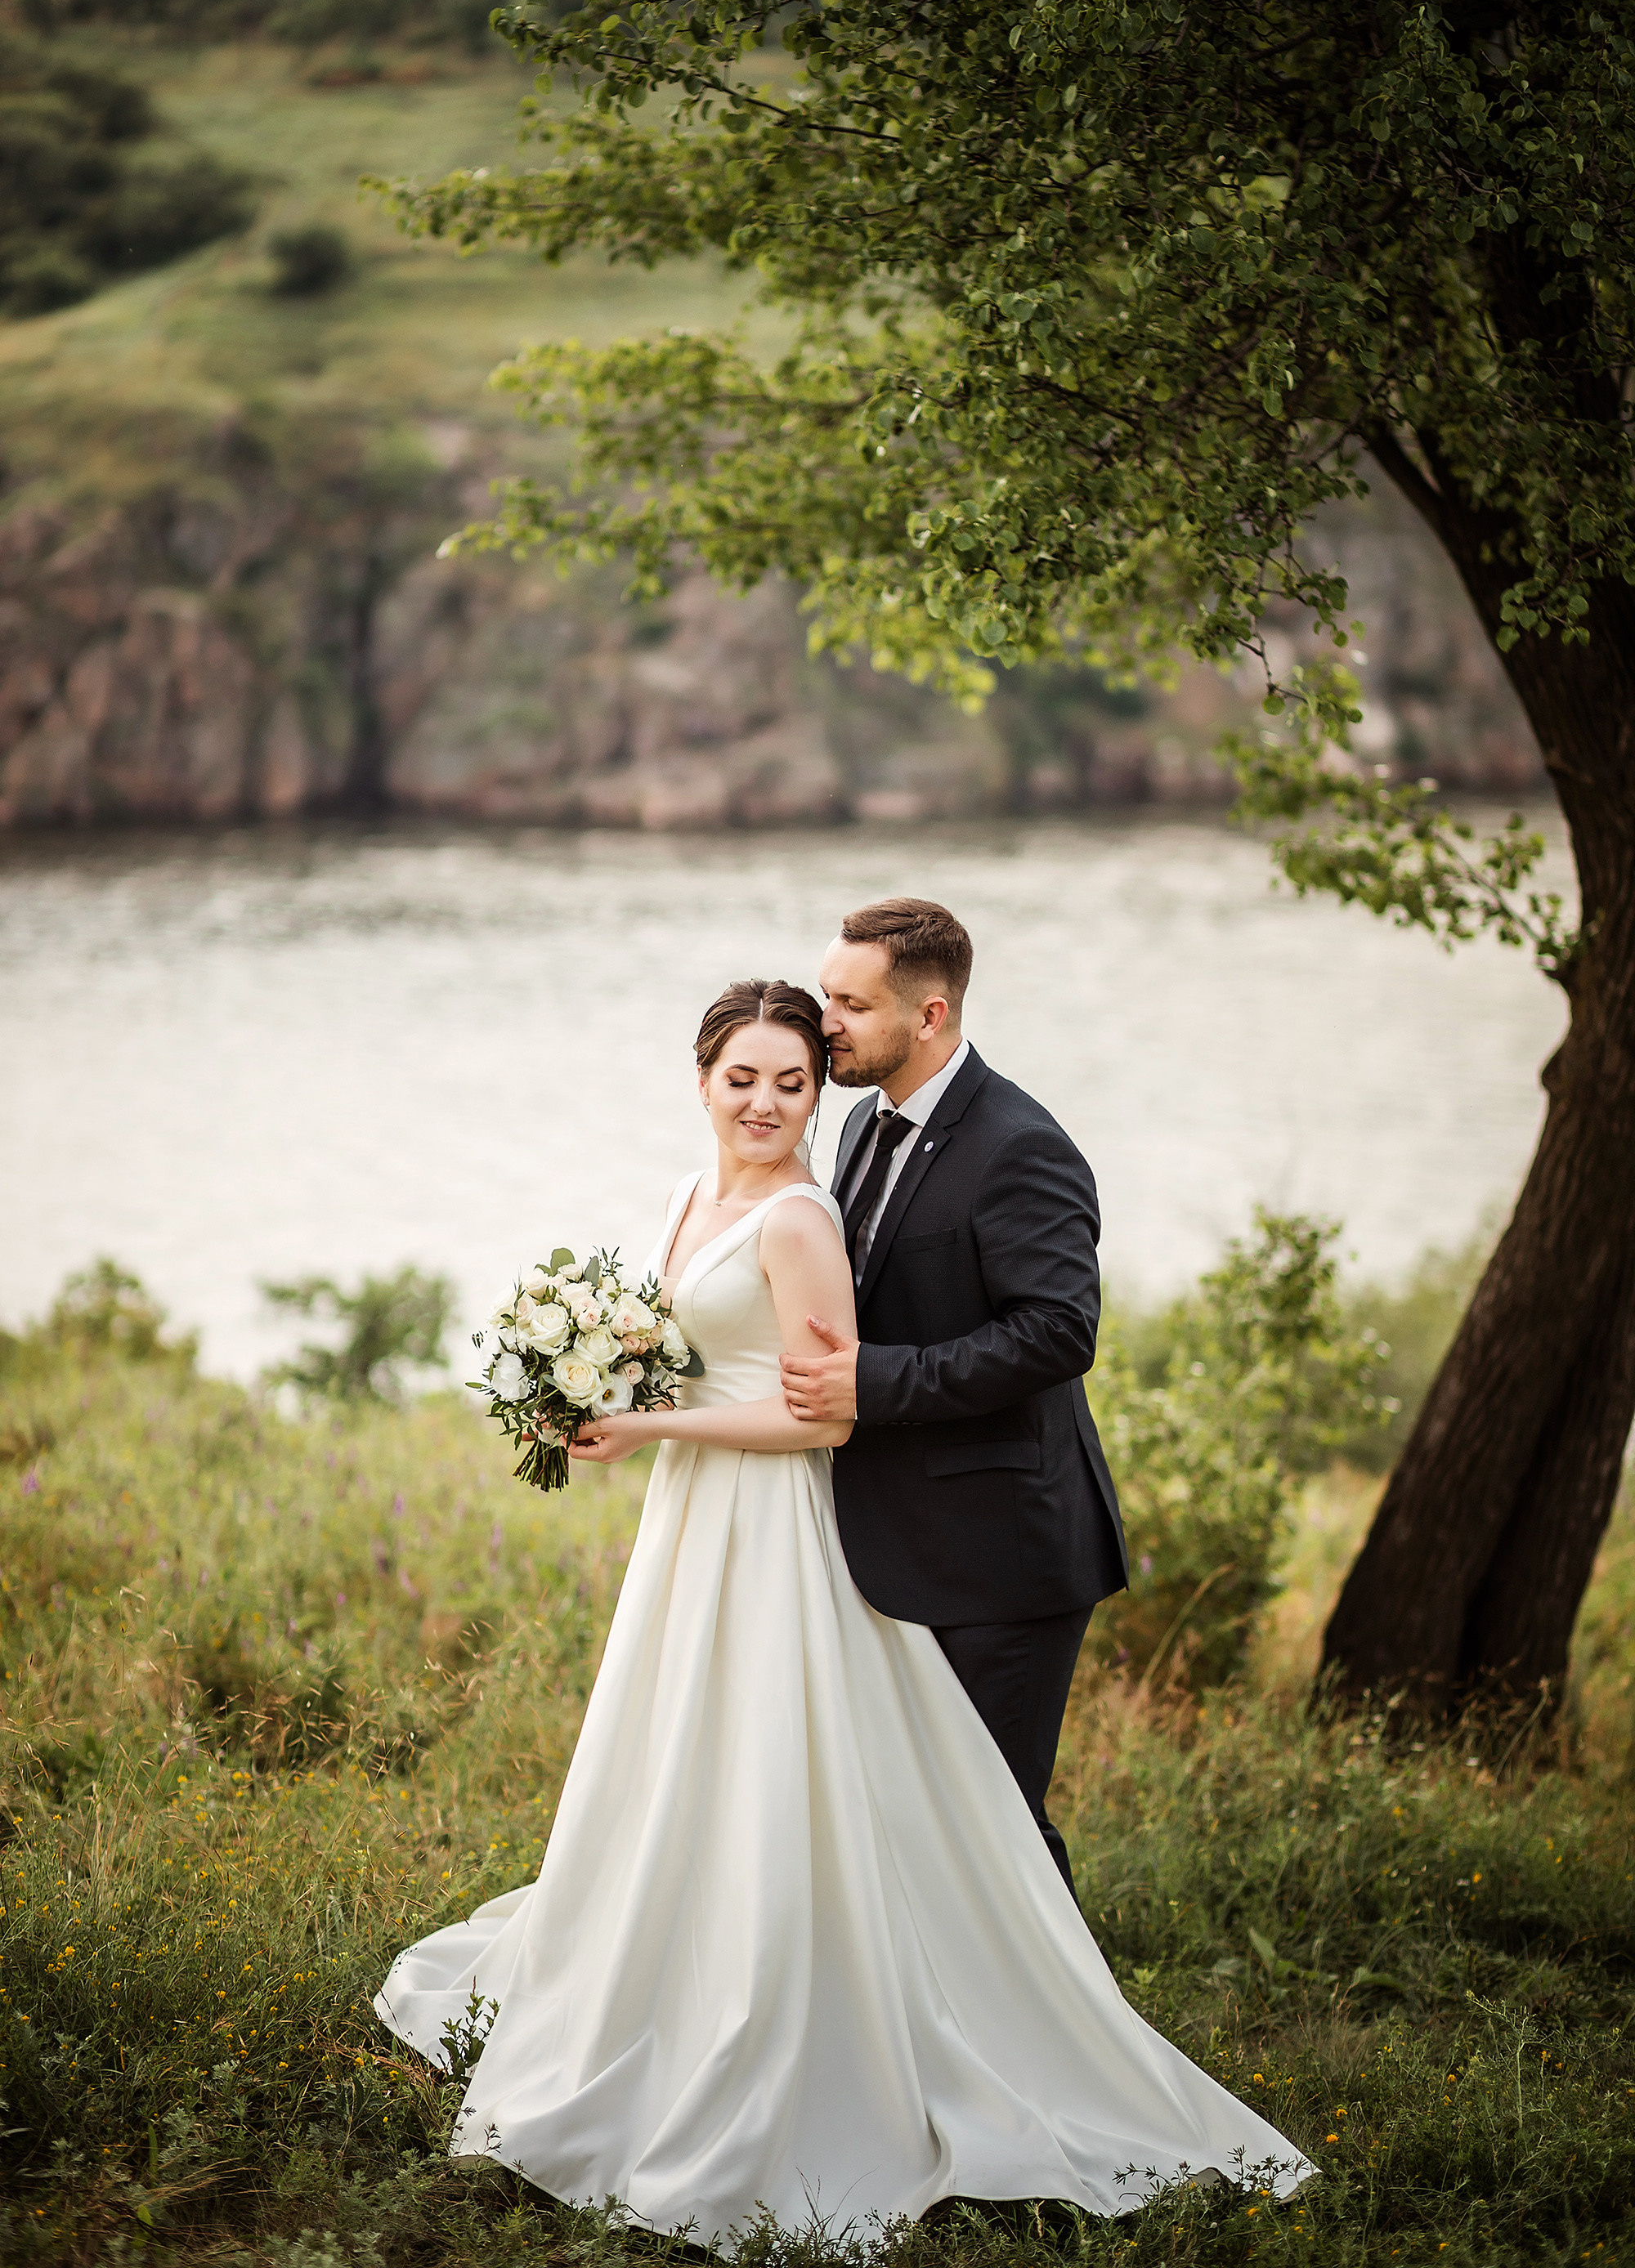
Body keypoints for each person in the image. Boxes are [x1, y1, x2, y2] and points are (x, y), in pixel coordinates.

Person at [374, 976, 1312, 2246]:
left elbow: (823, 1411)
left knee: (781, 1763)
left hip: (770, 1522)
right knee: (681, 1753)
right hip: (695, 1522)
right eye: (741, 1078)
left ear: (820, 1093)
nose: (764, 1102)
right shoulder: (691, 1194)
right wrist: (594, 1367)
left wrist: (647, 1421)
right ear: (700, 1078)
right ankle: (664, 1969)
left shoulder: (803, 1219)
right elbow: (688, 1336)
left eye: (792, 1082)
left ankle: (829, 2022)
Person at [781, 897, 1122, 1895]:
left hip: (1002, 1553)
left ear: (928, 1016)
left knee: (995, 1832)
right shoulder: (857, 1124)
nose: (823, 1021)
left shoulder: (1019, 1145)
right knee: (913, 1821)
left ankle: (1069, 2039)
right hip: (898, 1543)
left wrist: (875, 1382)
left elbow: (1060, 1332)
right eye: (823, 995)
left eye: (848, 1004)